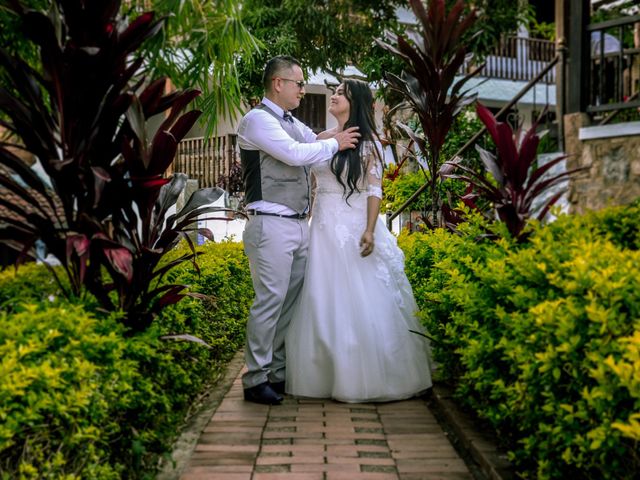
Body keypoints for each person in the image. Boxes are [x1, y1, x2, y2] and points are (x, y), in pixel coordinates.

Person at [285, 79, 432, 403]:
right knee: (322, 295)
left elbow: (374, 189)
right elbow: (312, 186)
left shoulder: (369, 144)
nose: (334, 97)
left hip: (352, 226)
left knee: (360, 295)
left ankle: (366, 374)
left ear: (356, 103)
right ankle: (323, 373)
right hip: (322, 227)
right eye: (334, 92)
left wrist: (369, 229)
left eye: (341, 93)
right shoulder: (323, 139)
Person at [238, 56, 360, 405]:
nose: (303, 90)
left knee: (288, 303)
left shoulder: (289, 121)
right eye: (299, 84)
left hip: (297, 225)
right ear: (278, 83)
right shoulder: (257, 121)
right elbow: (295, 154)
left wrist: (347, 129)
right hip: (270, 225)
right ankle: (255, 378)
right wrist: (336, 143)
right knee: (269, 302)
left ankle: (275, 373)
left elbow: (314, 138)